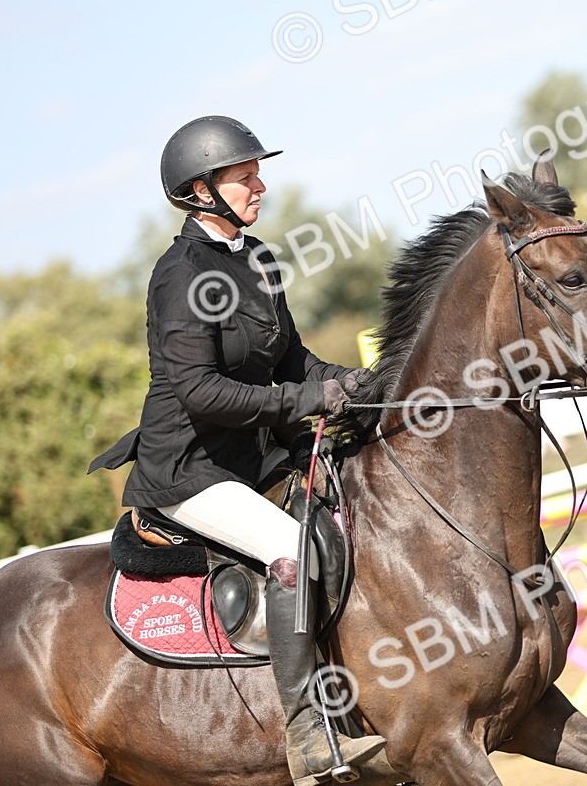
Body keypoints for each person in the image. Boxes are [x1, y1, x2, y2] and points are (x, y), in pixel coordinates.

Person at [90, 115, 382, 784]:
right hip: (192, 469)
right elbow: (198, 392)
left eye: (257, 172)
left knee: (356, 522)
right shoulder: (178, 275)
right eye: (244, 175)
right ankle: (309, 732)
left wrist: (352, 383)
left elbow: (292, 359)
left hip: (252, 456)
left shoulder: (257, 258)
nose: (260, 185)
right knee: (293, 549)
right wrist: (304, 402)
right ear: (200, 190)